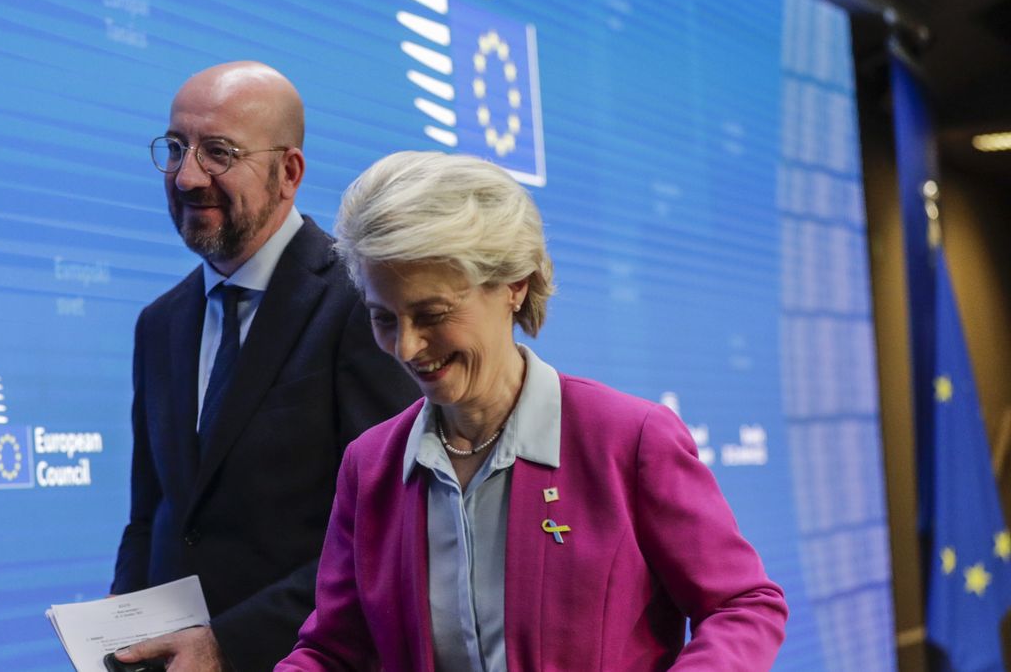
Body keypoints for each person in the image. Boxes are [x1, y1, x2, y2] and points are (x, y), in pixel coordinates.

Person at [276, 151, 789, 670]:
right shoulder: (370, 465)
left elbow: (742, 605)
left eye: (432, 314)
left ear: (514, 286)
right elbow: (332, 651)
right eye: (384, 318)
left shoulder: (629, 439)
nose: (406, 346)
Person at [109, 62, 418, 672]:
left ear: (289, 173)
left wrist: (227, 645)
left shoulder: (363, 304)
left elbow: (387, 531)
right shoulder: (159, 323)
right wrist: (116, 636)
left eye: (218, 153)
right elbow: (153, 514)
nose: (187, 176)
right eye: (176, 148)